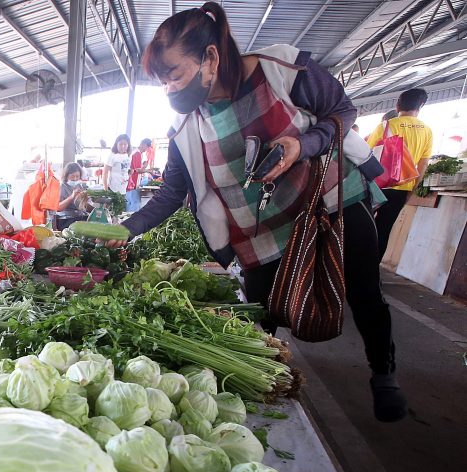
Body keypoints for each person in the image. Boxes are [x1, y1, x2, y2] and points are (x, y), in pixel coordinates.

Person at [113, 2, 405, 423]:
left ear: (210, 56)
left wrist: (302, 145)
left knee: (363, 292)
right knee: (260, 314)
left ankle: (384, 373)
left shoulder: (280, 68)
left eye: (174, 74)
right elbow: (171, 193)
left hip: (329, 203)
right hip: (260, 231)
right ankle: (263, 391)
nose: (169, 89)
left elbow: (342, 110)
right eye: (161, 82)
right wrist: (126, 229)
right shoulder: (186, 128)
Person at [366, 88, 433, 259]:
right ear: (421, 106)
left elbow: (366, 155)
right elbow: (423, 164)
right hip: (402, 188)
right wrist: (412, 189)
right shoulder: (427, 131)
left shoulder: (386, 125)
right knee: (384, 229)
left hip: (378, 185)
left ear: (397, 105)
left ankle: (355, 269)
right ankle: (373, 273)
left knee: (365, 225)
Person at [56, 162, 91, 229]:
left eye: (77, 176)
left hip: (80, 216)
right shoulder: (61, 187)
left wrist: (85, 200)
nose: (75, 179)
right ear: (66, 176)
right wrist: (72, 197)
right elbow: (58, 208)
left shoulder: (80, 186)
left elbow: (85, 207)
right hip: (65, 219)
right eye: (72, 176)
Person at [127, 138, 154, 211]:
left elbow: (136, 169)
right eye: (147, 146)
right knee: (135, 203)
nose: (147, 148)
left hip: (132, 182)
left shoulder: (138, 153)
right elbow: (138, 170)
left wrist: (144, 166)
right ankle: (131, 220)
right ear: (143, 144)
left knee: (131, 202)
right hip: (133, 182)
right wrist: (148, 171)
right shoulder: (137, 153)